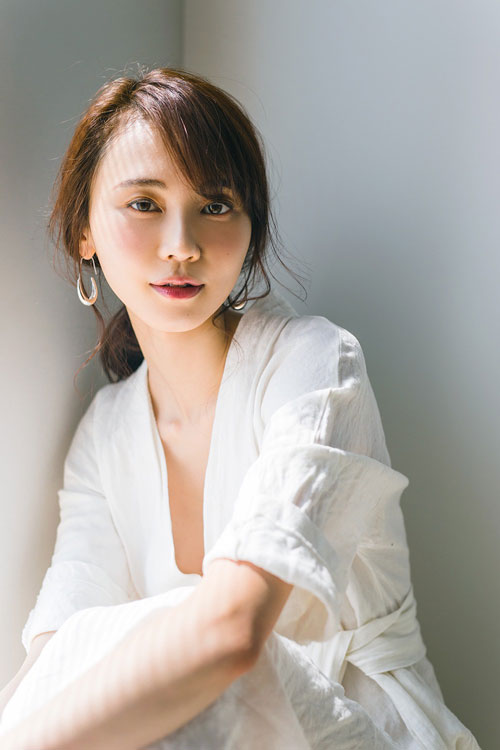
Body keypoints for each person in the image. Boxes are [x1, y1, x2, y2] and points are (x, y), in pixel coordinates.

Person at [0, 66, 480, 749]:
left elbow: (233, 635)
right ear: (85, 231)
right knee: (97, 647)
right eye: (144, 203)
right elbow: (55, 656)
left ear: (250, 228)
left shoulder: (315, 364)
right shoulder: (106, 434)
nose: (182, 245)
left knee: (204, 642)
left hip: (368, 730)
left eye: (216, 205)